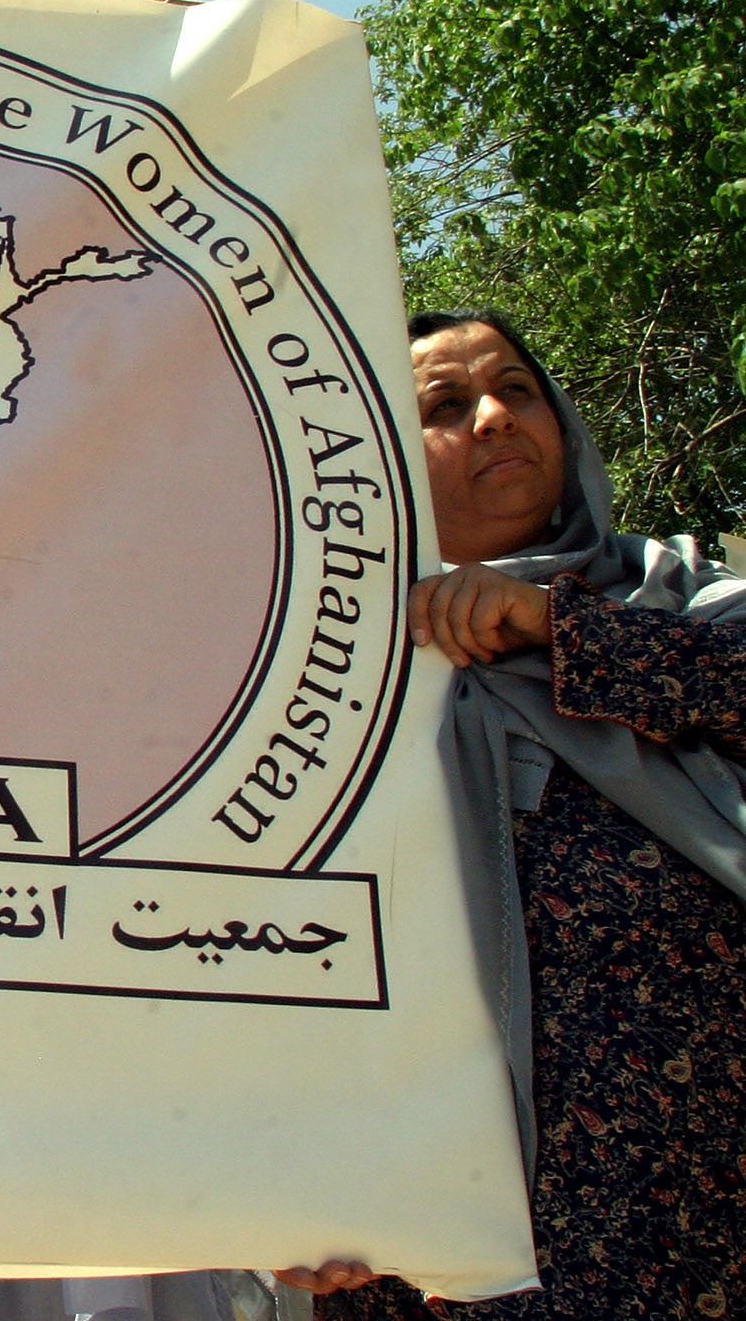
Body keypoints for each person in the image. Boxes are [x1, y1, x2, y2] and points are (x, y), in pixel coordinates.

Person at [283, 310, 746, 1318]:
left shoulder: (676, 598)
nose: (494, 416)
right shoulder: (318, 690)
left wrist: (560, 627)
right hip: (468, 1262)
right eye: (446, 407)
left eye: (515, 389)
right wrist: (294, 1186)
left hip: (711, 1217)